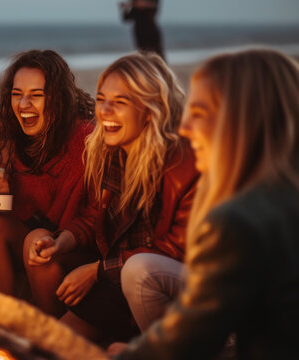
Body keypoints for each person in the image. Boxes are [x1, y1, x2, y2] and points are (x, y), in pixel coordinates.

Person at [112, 48, 299, 359]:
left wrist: (126, 356)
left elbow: (190, 340)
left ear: (241, 120)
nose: (184, 129)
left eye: (198, 113)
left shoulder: (239, 222)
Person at [24, 53, 198, 343]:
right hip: (118, 285)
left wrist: (97, 271)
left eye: (119, 102)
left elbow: (176, 250)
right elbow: (94, 217)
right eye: (101, 99)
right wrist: (61, 240)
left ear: (150, 108)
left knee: (138, 271)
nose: (104, 111)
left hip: (177, 290)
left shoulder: (183, 160)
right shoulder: (112, 154)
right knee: (49, 345)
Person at [0, 49, 96, 297]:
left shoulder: (86, 139)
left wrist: (58, 241)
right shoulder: (3, 135)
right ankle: (3, 318)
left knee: (37, 240)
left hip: (80, 246)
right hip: (30, 240)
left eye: (36, 95)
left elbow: (97, 219)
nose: (23, 105)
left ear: (58, 98)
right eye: (16, 94)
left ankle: (46, 326)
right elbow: (3, 210)